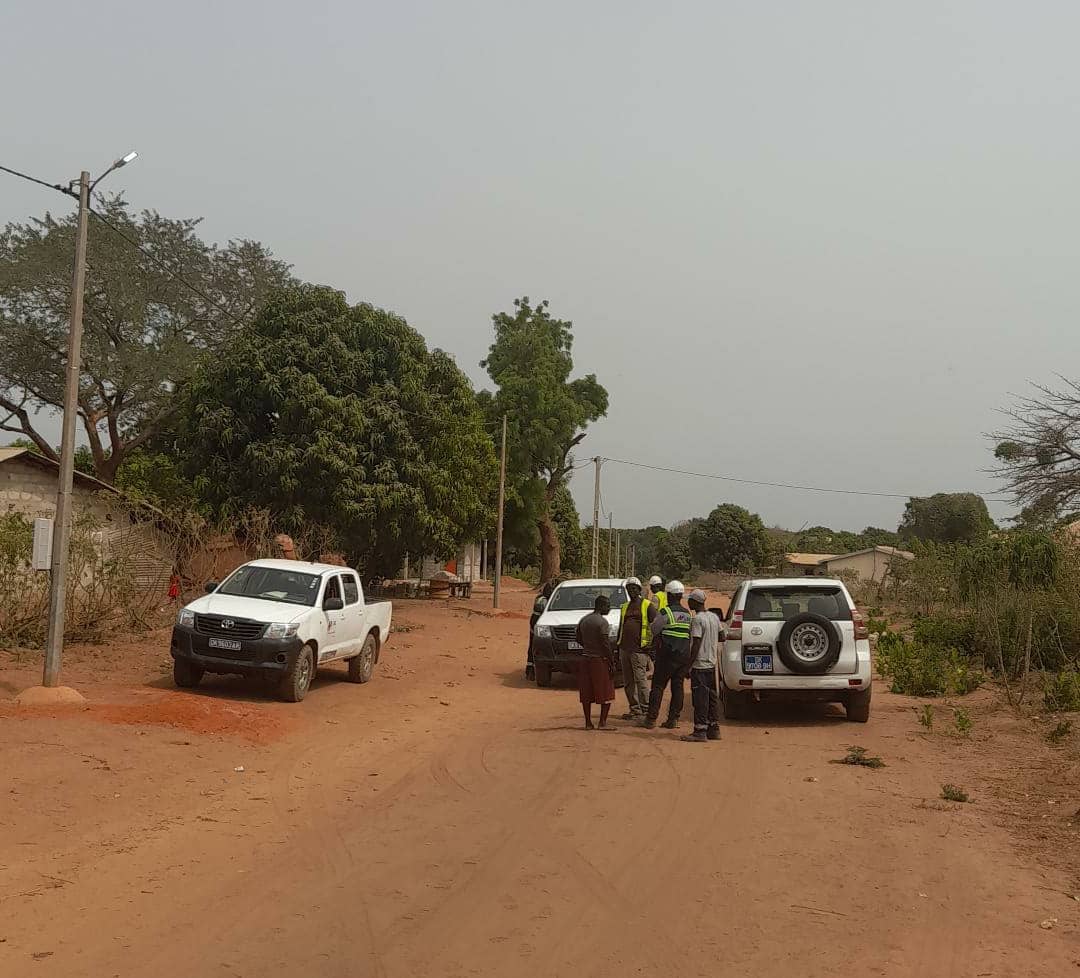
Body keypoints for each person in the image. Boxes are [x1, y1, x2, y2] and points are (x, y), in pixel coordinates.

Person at [640, 580, 692, 730]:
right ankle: (673, 719)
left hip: (667, 656)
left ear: (669, 595)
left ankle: (651, 719)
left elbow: (654, 630)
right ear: (681, 595)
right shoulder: (687, 614)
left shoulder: (666, 612)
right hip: (683, 656)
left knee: (658, 686)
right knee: (678, 688)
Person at [683, 589, 721, 743]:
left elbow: (696, 643)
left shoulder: (697, 619)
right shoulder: (714, 617)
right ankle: (714, 729)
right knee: (712, 697)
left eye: (690, 600)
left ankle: (700, 731)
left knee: (700, 699)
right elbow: (723, 636)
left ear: (695, 602)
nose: (688, 603)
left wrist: (688, 666)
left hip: (700, 665)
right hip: (711, 664)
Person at [575, 594, 617, 730]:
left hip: (585, 658)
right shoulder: (602, 622)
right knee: (606, 691)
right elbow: (605, 643)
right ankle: (602, 723)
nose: (609, 609)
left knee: (586, 692)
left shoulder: (584, 620)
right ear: (602, 606)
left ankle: (588, 723)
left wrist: (588, 646)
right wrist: (611, 661)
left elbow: (578, 638)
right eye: (608, 606)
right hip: (599, 660)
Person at [617, 577, 656, 720]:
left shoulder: (647, 605)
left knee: (641, 680)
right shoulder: (625, 607)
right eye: (629, 588)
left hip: (640, 650)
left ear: (639, 590)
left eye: (634, 588)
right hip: (625, 649)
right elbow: (621, 627)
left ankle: (645, 709)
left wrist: (650, 647)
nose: (631, 591)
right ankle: (634, 709)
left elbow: (655, 626)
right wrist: (618, 646)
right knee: (628, 682)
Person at [526, 580, 556, 680]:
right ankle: (531, 669)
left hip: (535, 621)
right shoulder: (543, 600)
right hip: (537, 622)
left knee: (532, 645)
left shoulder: (542, 598)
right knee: (535, 645)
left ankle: (530, 668)